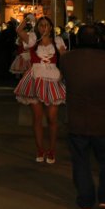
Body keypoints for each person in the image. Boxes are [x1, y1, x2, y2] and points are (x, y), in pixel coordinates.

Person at [60, 25, 105, 209]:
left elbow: (65, 81)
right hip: (102, 119)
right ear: (98, 40)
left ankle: (86, 200)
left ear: (78, 39)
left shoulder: (67, 59)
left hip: (77, 118)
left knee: (80, 161)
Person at [14, 16, 66, 164]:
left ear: (51, 27)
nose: (44, 28)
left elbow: (64, 56)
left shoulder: (58, 40)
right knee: (37, 118)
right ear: (38, 27)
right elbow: (19, 30)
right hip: (35, 78)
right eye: (41, 25)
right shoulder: (32, 39)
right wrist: (26, 18)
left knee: (52, 118)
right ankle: (40, 149)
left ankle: (52, 149)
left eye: (47, 25)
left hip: (53, 79)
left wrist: (66, 69)